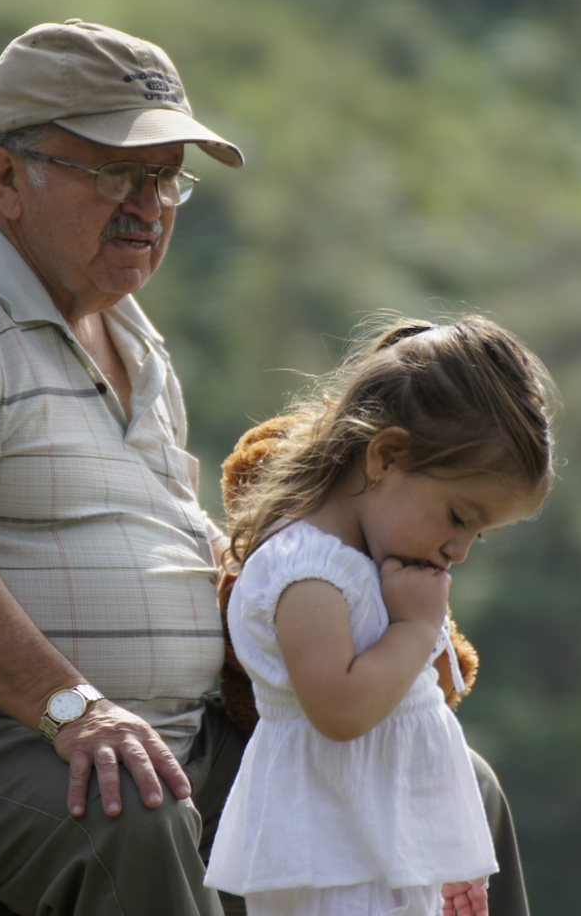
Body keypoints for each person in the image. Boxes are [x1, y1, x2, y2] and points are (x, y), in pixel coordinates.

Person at [0, 17, 537, 916]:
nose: (147, 204)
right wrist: (72, 708)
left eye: (165, 177)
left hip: (170, 735)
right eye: (114, 173)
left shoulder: (131, 336)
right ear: (8, 176)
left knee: (454, 785)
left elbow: (179, 545)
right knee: (130, 814)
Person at [204, 316, 556, 916]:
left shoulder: (367, 562)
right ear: (386, 456)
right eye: (458, 515)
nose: (460, 550)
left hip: (380, 846)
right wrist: (415, 630)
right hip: (331, 859)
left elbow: (415, 710)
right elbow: (340, 710)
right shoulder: (306, 570)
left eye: (479, 532)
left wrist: (446, 856)